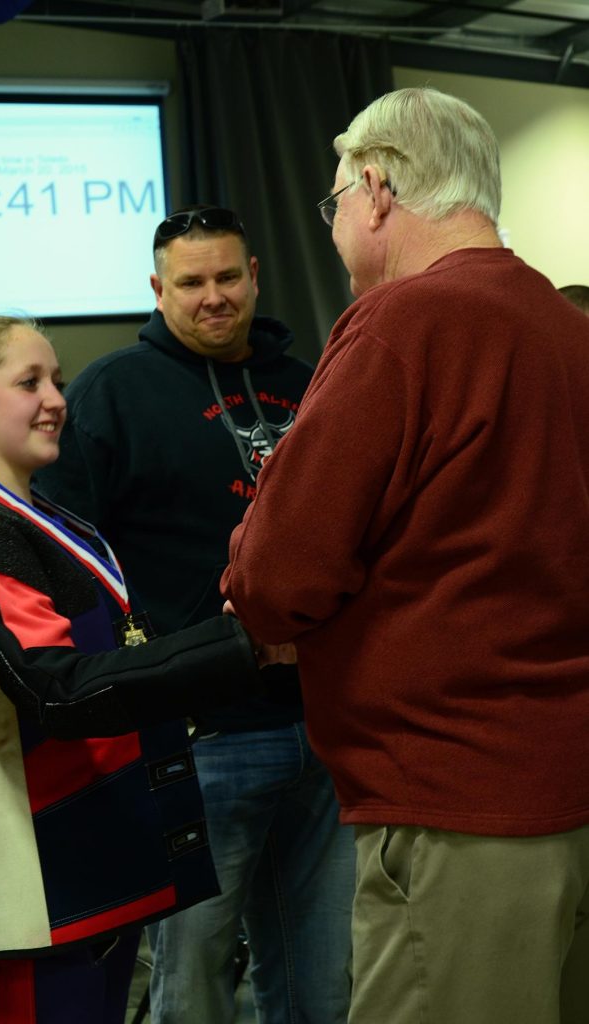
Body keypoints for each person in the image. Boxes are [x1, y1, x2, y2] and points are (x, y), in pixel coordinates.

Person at [221, 88, 589, 1024]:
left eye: (334, 202)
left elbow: (276, 574)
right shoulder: (565, 327)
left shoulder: (402, 325)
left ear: (376, 190)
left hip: (452, 800)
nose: (337, 224)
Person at [0, 313, 287, 1024]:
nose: (56, 397)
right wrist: (240, 649)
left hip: (88, 874)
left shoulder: (37, 520)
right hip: (36, 888)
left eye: (56, 378)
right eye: (29, 382)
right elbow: (60, 691)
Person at [36, 206, 355, 1024]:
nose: (212, 297)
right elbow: (67, 556)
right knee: (194, 984)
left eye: (225, 277)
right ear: (156, 289)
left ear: (254, 276)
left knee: (324, 980)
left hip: (323, 729)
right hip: (198, 738)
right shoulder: (112, 392)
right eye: (190, 283)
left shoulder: (316, 379)